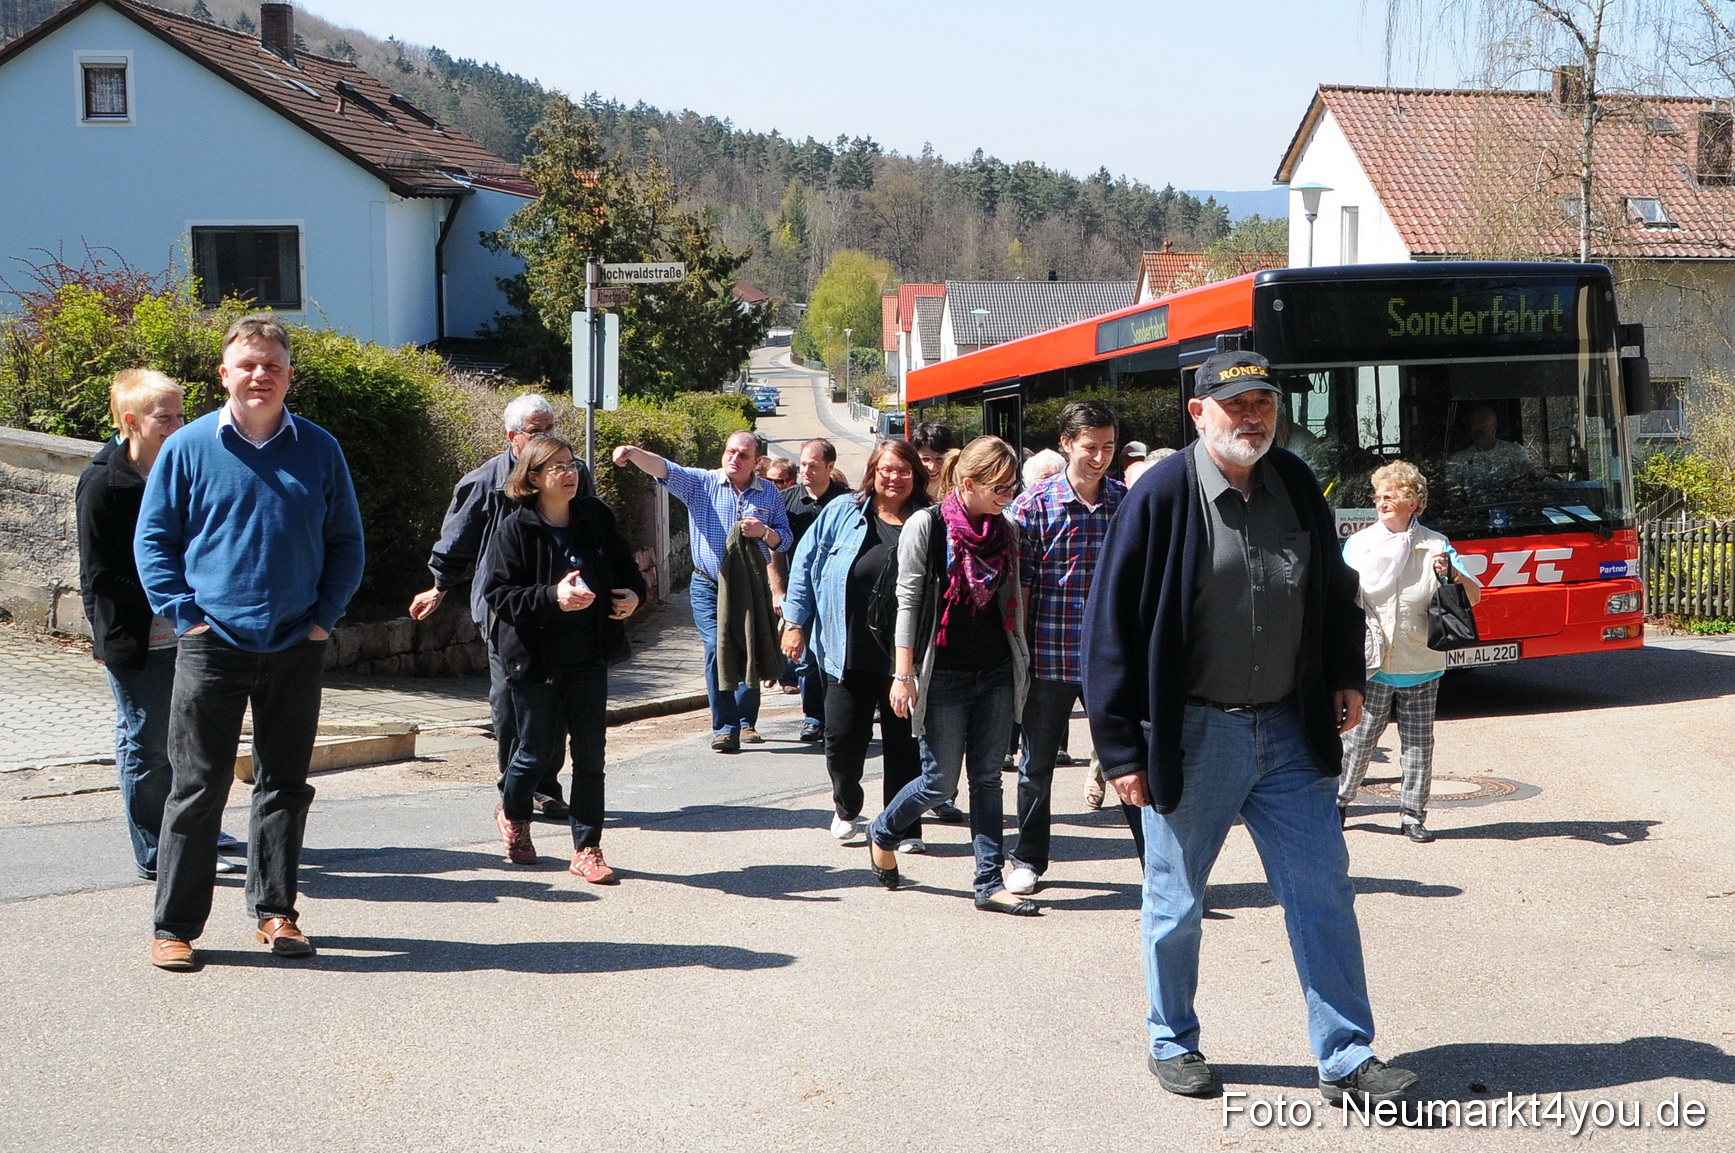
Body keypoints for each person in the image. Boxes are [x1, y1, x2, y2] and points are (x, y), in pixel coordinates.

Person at [1083, 349, 1420, 1106]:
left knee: (1323, 890)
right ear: (1198, 412)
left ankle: (1346, 1054)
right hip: (1193, 734)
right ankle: (1173, 1040)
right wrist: (1120, 748)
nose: (1251, 416)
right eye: (1234, 404)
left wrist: (1344, 672)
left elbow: (1332, 592)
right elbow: (1109, 626)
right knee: (1175, 901)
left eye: (1262, 402)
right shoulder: (1160, 495)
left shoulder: (1294, 482)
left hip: (1289, 731)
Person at [136, 315, 364, 971]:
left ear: (289, 376)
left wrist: (322, 620)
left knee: (284, 785)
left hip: (296, 643)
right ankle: (175, 926)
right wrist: (185, 617)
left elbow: (346, 543)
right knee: (197, 787)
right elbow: (154, 542)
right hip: (211, 644)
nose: (259, 375)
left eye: (272, 365)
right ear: (224, 374)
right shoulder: (188, 448)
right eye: (247, 364)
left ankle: (276, 912)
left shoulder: (319, 448)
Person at [76, 370, 241, 881]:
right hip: (138, 635)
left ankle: (193, 828)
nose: (178, 425)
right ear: (131, 421)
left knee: (189, 737)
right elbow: (99, 573)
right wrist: (171, 593)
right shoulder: (103, 484)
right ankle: (157, 849)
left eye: (181, 414)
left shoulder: (182, 465)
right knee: (147, 741)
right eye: (164, 417)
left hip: (190, 628)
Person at [869, 437, 1035, 915]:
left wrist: (1022, 662)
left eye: (1012, 485)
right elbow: (908, 601)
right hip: (942, 673)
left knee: (987, 779)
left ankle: (989, 883)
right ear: (968, 484)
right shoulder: (928, 525)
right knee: (939, 783)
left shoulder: (1008, 529)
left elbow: (1013, 601)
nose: (1008, 495)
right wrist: (903, 675)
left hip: (996, 670)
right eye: (999, 487)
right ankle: (883, 831)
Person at [408, 394, 588, 820]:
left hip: (559, 604)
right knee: (510, 701)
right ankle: (516, 786)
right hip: (505, 609)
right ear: (513, 436)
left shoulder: (572, 472)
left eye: (551, 428)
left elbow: (590, 528)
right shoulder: (486, 481)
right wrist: (439, 586)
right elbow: (457, 539)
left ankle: (544, 786)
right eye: (537, 431)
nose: (546, 437)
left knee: (556, 701)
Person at [479, 434, 644, 880]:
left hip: (588, 654)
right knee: (534, 753)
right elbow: (500, 596)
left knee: (591, 756)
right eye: (557, 467)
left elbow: (627, 571)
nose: (570, 473)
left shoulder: (595, 517)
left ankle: (588, 849)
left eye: (572, 465)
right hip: (536, 659)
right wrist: (554, 596)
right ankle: (513, 814)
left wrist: (634, 596)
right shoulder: (515, 528)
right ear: (533, 478)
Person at [1005, 399, 1135, 896]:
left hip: (1111, 659)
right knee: (1036, 765)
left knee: (1129, 762)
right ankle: (1028, 858)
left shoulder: (1126, 503)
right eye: (1089, 447)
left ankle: (1160, 867)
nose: (1100, 458)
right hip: (1049, 655)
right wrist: (1020, 658)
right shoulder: (1032, 507)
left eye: (1108, 447)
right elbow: (1020, 590)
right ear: (1065, 445)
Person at [782, 438, 930, 850]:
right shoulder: (842, 511)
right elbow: (805, 564)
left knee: (905, 744)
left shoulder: (928, 519)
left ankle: (903, 826)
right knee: (843, 741)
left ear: (916, 476)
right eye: (887, 470)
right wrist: (794, 622)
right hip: (845, 649)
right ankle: (847, 806)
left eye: (904, 470)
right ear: (872, 473)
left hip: (905, 656)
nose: (894, 478)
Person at [612, 431, 791, 752]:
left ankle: (746, 721)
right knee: (716, 648)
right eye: (730, 451)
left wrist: (763, 531)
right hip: (708, 585)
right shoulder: (702, 483)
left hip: (750, 587)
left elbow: (785, 539)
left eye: (743, 455)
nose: (734, 458)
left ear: (756, 461)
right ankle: (725, 727)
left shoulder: (769, 494)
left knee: (748, 647)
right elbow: (665, 469)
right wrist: (633, 452)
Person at [1337, 461, 1482, 843]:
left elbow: (1474, 595)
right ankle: (1339, 801)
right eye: (1378, 496)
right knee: (1358, 741)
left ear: (1413, 501)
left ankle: (1412, 816)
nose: (1381, 502)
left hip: (1421, 660)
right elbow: (1339, 599)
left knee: (1418, 746)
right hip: (1373, 662)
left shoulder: (1436, 545)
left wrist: (1452, 574)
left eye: (1390, 495)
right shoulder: (1359, 544)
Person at [783, 438, 851, 742]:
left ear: (830, 466)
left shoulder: (849, 501)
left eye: (813, 466)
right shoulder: (786, 501)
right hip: (801, 591)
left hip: (838, 592)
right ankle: (813, 717)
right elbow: (774, 550)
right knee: (807, 660)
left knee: (837, 657)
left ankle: (838, 718)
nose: (805, 472)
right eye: (803, 465)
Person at [1446, 404, 1535, 491]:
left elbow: (1528, 480)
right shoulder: (1460, 459)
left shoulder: (1514, 451)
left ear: (1494, 426)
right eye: (1473, 424)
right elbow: (1452, 492)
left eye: (1481, 423)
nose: (1477, 428)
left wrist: (1528, 470)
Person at [909, 421, 957, 496]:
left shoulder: (960, 492)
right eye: (925, 459)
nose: (932, 467)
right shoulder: (907, 492)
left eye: (939, 458)